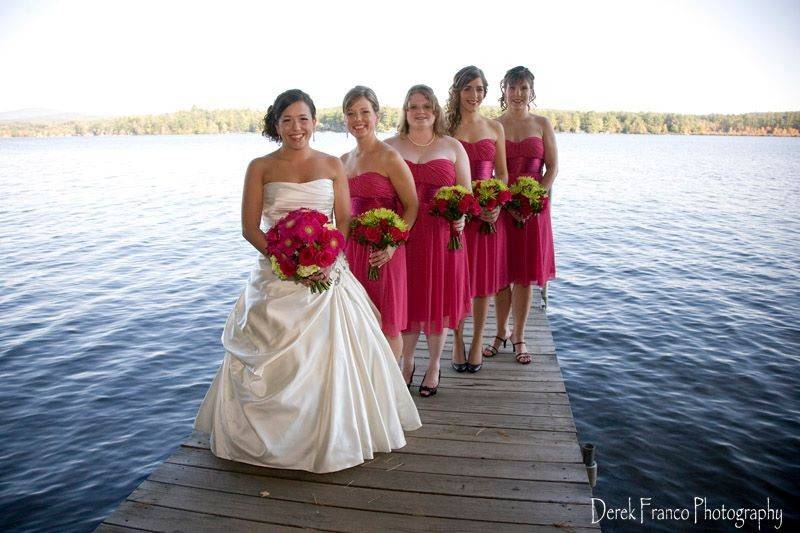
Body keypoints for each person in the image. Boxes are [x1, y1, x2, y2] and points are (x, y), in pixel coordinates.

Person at [194, 89, 421, 473]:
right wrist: (287, 260)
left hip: (328, 271)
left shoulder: (333, 164)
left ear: (315, 123)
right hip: (276, 274)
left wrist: (326, 259)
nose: (296, 128)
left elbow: (343, 221)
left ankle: (333, 436)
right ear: (276, 124)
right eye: (287, 120)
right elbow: (250, 228)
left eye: (303, 119)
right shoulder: (259, 167)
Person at [385, 85, 472, 397]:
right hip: (403, 238)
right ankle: (406, 362)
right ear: (405, 112)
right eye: (413, 106)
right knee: (408, 303)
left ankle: (434, 364)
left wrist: (461, 216)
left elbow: (467, 194)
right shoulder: (390, 147)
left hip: (442, 238)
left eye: (426, 106)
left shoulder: (452, 147)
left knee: (437, 302)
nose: (420, 112)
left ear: (436, 110)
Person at [341, 86, 419, 362]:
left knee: (388, 324)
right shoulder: (342, 162)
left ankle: (392, 395)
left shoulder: (390, 157)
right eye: (351, 113)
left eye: (364, 111)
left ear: (377, 115)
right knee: (358, 322)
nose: (357, 119)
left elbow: (412, 205)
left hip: (385, 252)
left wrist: (392, 244)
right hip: (352, 253)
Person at [490, 66, 559, 364]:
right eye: (512, 88)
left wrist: (533, 201)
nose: (518, 94)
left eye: (523, 88)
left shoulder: (542, 124)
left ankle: (519, 336)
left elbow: (552, 168)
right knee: (501, 274)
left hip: (533, 212)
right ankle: (499, 331)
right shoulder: (493, 126)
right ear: (504, 90)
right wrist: (500, 202)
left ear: (532, 91)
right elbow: (486, 169)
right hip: (502, 209)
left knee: (525, 276)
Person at [445, 66, 509, 373]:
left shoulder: (494, 128)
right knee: (458, 280)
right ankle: (457, 340)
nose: (474, 95)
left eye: (480, 89)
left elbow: (504, 174)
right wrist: (458, 208)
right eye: (468, 88)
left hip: (486, 218)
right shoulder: (444, 126)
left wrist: (495, 204)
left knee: (483, 282)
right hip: (456, 216)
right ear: (457, 91)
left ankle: (477, 340)